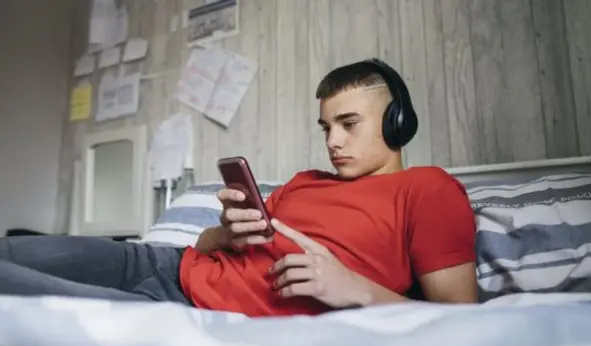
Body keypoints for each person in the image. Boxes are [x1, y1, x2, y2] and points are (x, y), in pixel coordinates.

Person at [0, 58, 477, 317]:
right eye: (325, 126)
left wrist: (356, 289)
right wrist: (224, 235)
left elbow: (460, 319)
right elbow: (207, 247)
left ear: (398, 121)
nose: (332, 141)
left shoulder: (428, 190)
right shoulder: (304, 183)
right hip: (162, 261)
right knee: (12, 252)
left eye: (348, 123)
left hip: (185, 308)